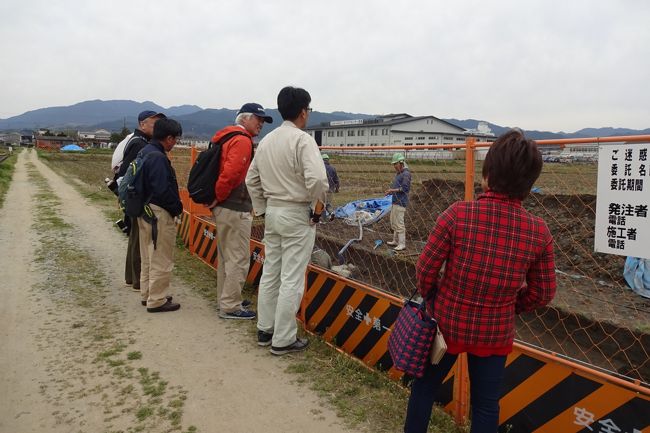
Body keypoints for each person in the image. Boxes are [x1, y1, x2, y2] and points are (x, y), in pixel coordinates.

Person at [403, 129, 557, 433]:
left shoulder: (457, 215)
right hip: (495, 332)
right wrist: (510, 306)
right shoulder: (539, 232)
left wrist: (433, 296)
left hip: (445, 323)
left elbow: (425, 269)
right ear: (529, 184)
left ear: (487, 174)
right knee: (486, 405)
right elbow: (544, 292)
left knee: (424, 389)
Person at [245, 86, 328, 355]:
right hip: (297, 212)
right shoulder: (303, 141)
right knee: (292, 277)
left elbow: (251, 179)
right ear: (304, 112)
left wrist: (261, 209)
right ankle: (283, 338)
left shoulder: (267, 140)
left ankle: (264, 329)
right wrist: (318, 207)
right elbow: (317, 179)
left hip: (273, 212)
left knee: (271, 271)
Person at [210, 103, 272, 320]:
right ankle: (230, 305)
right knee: (238, 257)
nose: (261, 124)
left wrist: (216, 199)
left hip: (225, 207)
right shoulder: (243, 140)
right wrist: (220, 195)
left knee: (226, 256)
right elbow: (232, 173)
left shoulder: (226, 137)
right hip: (235, 207)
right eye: (258, 119)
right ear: (244, 119)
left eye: (263, 120)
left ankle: (225, 297)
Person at [138, 118, 184, 313]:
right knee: (161, 256)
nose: (175, 143)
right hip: (159, 212)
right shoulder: (158, 157)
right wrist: (177, 208)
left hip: (144, 210)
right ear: (168, 138)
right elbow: (162, 190)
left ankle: (148, 293)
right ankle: (157, 299)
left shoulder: (145, 151)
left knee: (148, 255)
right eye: (175, 139)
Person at [117, 110, 166, 293]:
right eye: (154, 124)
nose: (156, 128)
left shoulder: (137, 141)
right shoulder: (140, 144)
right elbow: (127, 174)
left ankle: (132, 277)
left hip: (134, 199)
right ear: (142, 124)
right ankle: (138, 280)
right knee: (140, 241)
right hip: (139, 200)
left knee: (135, 239)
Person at [385, 152, 411, 251]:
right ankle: (395, 241)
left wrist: (392, 190)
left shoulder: (406, 174)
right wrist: (390, 192)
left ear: (401, 162)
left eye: (396, 164)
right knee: (394, 222)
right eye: (394, 164)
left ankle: (402, 243)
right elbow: (397, 188)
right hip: (395, 201)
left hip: (401, 202)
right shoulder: (399, 174)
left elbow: (405, 189)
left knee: (399, 223)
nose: (394, 166)